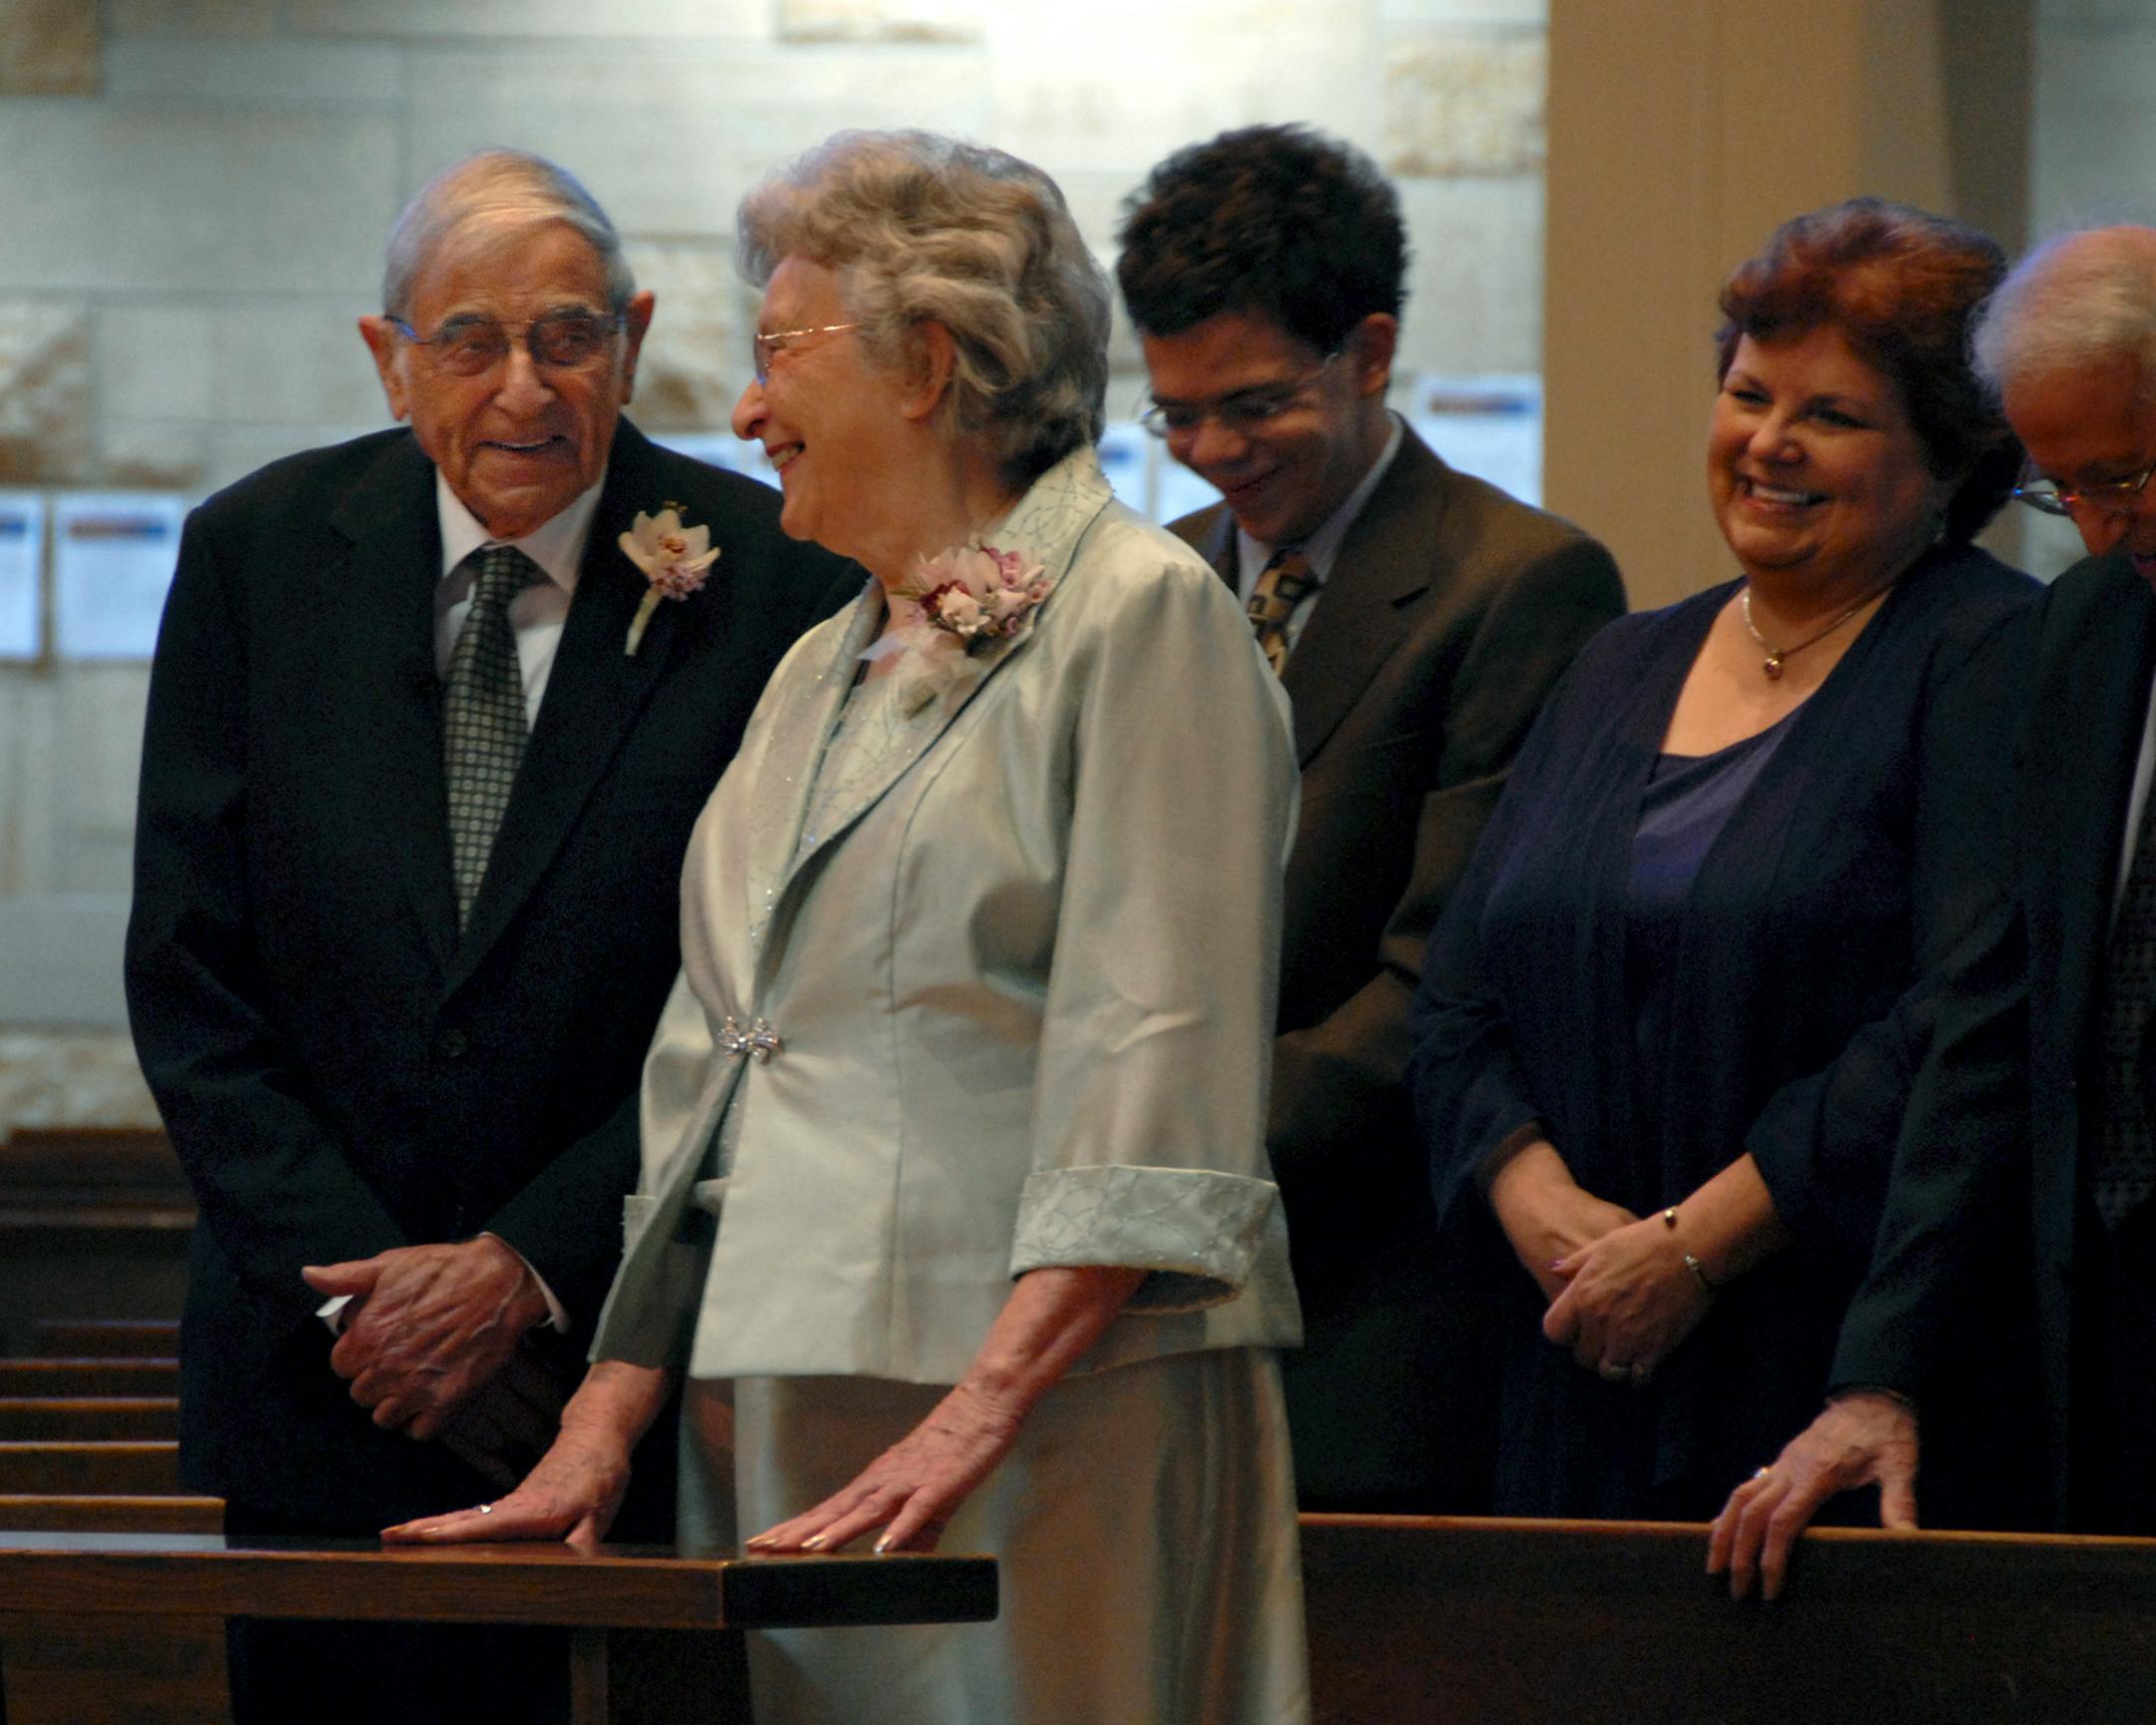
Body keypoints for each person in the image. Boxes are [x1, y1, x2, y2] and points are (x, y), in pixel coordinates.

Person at [388, 130, 1309, 1723]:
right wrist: (605, 1418)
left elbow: (1153, 1058)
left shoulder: (1140, 617)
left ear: (929, 363)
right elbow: (713, 1066)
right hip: (789, 1408)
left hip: (1043, 1421)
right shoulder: (822, 663)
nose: (742, 414)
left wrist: (975, 1418)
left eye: (774, 355)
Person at [124, 149, 856, 1723]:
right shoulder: (257, 555)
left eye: (570, 336)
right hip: (324, 1399)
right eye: (469, 341)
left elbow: (774, 990)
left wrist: (532, 1265)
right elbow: (190, 979)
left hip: (626, 1381)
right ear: (390, 362)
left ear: (637, 337)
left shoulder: (783, 573)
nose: (524, 388)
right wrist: (368, 1303)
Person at [1407, 198, 2036, 1520]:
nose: (1771, 443)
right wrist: (1534, 1199)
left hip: (1810, 1377)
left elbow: (1956, 1020)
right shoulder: (1620, 661)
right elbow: (1462, 986)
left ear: (1948, 461)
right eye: (1749, 395)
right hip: (1566, 1359)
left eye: (1835, 417)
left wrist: (1694, 1251)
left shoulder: (1994, 656)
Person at [1114, 123, 1625, 1512]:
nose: (1215, 450)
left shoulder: (1520, 582)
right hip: (1137, 1274)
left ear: (1373, 352)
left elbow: (1445, 975)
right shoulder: (1163, 578)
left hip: (1368, 1283)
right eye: (1177, 414)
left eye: (1256, 403)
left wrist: (1165, 1148)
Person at [1711, 225, 2156, 1597]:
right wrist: (1883, 1376)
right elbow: (1997, 1028)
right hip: (2107, 1394)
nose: (2101, 527)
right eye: (2065, 489)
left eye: (2128, 475)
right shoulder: (2089, 630)